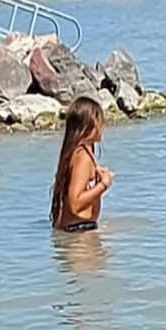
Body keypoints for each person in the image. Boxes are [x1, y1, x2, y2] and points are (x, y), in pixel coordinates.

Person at [49, 96, 112, 232]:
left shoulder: (76, 151)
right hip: (79, 231)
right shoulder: (82, 156)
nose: (103, 126)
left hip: (76, 228)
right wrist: (103, 185)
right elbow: (75, 203)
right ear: (89, 126)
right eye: (100, 122)